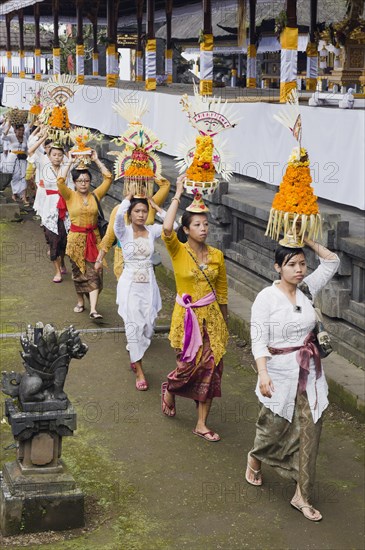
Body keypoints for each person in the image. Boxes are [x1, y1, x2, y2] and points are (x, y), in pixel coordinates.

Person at [246, 239, 340, 521]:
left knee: (310, 432)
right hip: (279, 374)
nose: (299, 269)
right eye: (291, 264)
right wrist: (263, 373)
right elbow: (258, 339)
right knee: (272, 430)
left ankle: (303, 495)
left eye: (302, 263)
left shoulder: (306, 290)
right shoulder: (266, 298)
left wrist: (306, 240)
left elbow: (333, 262)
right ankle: (255, 457)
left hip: (310, 373)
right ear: (277, 267)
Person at [160, 176, 229, 442]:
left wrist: (224, 325)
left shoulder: (217, 256)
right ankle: (170, 387)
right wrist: (177, 193)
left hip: (212, 320)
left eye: (206, 224)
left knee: (211, 369)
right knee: (187, 367)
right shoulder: (178, 250)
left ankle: (202, 423)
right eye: (197, 225)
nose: (203, 228)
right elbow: (167, 229)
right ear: (187, 229)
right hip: (187, 321)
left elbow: (222, 293)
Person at [111, 192, 176, 390]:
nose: (140, 215)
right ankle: (139, 370)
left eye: (144, 211)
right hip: (129, 284)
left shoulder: (153, 230)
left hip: (149, 285)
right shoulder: (124, 232)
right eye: (137, 211)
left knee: (148, 326)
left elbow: (173, 227)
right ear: (130, 214)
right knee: (133, 325)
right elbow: (116, 224)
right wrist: (127, 200)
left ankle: (136, 353)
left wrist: (158, 209)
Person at [57, 150, 113, 318]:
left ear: (90, 182)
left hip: (94, 238)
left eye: (87, 180)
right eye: (80, 181)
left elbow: (108, 178)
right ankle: (81, 301)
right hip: (75, 239)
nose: (83, 183)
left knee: (95, 272)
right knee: (78, 272)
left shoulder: (96, 195)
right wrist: (69, 161)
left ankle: (94, 309)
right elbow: (60, 181)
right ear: (74, 182)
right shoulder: (70, 195)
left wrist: (96, 160)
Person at [97, 176, 171, 279]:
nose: (138, 188)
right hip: (123, 256)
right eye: (134, 184)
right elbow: (109, 236)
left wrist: (149, 170)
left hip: (144, 256)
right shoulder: (120, 209)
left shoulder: (149, 205)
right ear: (128, 186)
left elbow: (165, 185)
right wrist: (99, 259)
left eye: (141, 184)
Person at [1, 122, 29, 205]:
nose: (21, 132)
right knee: (15, 176)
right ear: (15, 130)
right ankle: (14, 194)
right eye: (19, 130)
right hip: (13, 158)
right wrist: (8, 126)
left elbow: (26, 149)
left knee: (23, 176)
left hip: (22, 159)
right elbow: (3, 137)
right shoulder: (11, 137)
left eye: (23, 130)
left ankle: (23, 196)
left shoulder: (24, 138)